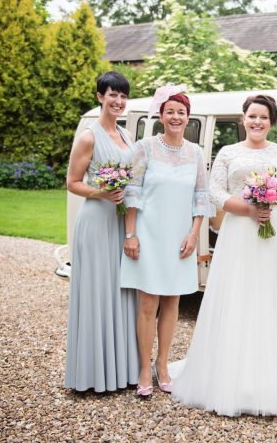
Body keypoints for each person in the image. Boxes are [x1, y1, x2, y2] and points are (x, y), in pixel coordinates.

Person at [171, 94, 277, 416]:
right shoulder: (228, 152)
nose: (258, 122)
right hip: (240, 230)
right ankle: (234, 380)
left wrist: (272, 204)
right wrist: (249, 208)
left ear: (272, 122)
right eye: (253, 116)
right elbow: (215, 191)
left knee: (276, 297)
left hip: (276, 230)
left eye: (264, 118)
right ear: (243, 119)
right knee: (240, 296)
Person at [120, 85, 213, 398]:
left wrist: (193, 234)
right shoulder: (145, 148)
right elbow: (131, 192)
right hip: (148, 235)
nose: (176, 116)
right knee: (148, 303)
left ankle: (163, 365)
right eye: (170, 111)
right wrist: (131, 234)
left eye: (181, 112)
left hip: (180, 238)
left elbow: (201, 197)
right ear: (161, 115)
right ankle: (145, 368)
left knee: (173, 302)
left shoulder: (196, 153)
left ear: (188, 118)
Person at [64, 71, 139, 392]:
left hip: (120, 221)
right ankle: (93, 374)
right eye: (112, 95)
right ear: (100, 97)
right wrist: (101, 192)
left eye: (123, 96)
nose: (118, 101)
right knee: (97, 292)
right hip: (96, 222)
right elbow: (72, 182)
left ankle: (122, 370)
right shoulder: (89, 137)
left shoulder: (127, 136)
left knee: (122, 292)